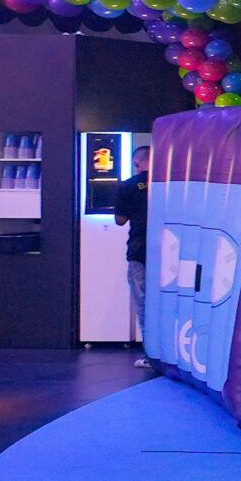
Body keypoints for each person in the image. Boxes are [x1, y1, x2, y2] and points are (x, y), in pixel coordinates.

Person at [114, 145, 153, 367]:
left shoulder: (128, 186)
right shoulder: (168, 184)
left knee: (144, 303)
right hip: (169, 250)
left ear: (136, 163)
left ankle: (151, 356)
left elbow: (120, 220)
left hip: (139, 250)